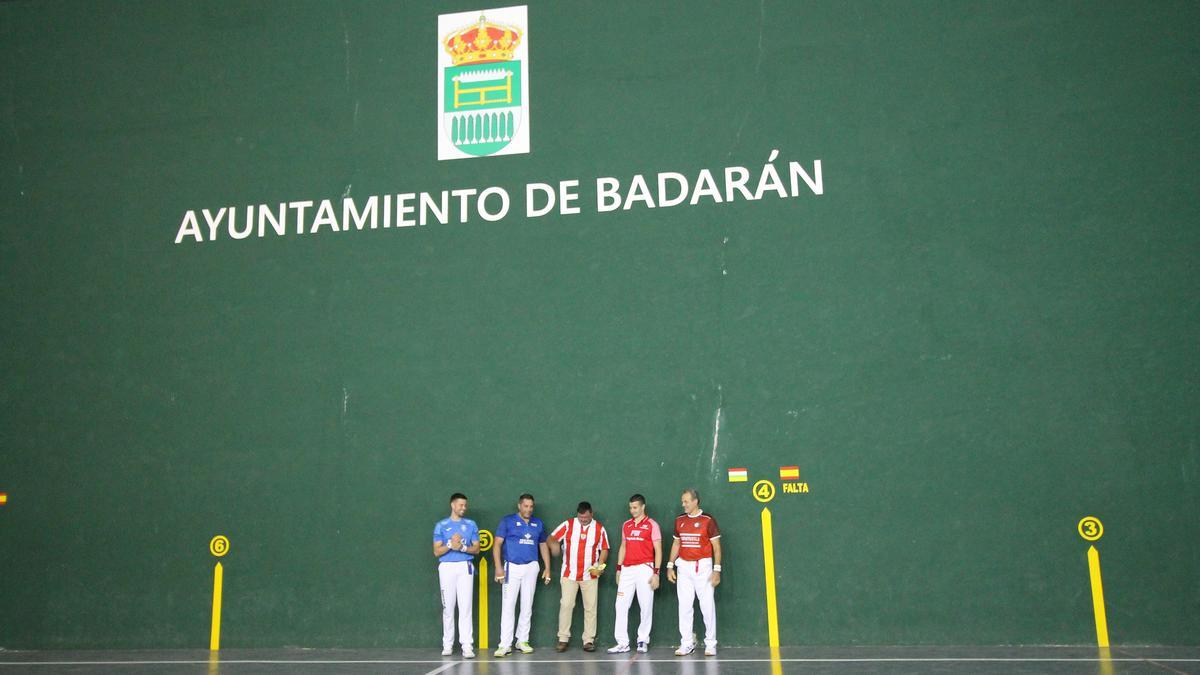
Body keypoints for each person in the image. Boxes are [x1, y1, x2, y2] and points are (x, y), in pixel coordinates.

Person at [492, 493, 551, 657]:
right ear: (519, 506)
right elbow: (497, 545)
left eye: (531, 506)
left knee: (527, 605)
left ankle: (522, 640)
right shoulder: (507, 521)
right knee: (508, 606)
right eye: (526, 506)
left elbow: (543, 545)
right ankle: (504, 644)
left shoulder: (538, 523)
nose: (529, 509)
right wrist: (498, 568)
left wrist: (547, 568)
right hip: (512, 567)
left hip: (531, 567)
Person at [549, 501, 610, 652]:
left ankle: (588, 640)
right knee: (566, 604)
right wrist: (555, 546)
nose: (583, 520)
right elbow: (551, 538)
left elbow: (604, 549)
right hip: (569, 573)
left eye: (586, 518)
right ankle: (563, 639)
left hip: (590, 575)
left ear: (592, 514)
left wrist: (600, 565)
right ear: (577, 514)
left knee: (590, 608)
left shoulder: (599, 528)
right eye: (581, 517)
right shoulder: (568, 524)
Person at [667, 488, 721, 656]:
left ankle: (710, 643)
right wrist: (670, 565)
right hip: (683, 567)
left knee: (707, 606)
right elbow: (676, 544)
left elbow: (716, 547)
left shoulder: (708, 520)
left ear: (696, 501)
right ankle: (686, 643)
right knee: (684, 607)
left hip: (703, 567)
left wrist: (716, 570)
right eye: (682, 501)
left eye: (686, 501)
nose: (683, 504)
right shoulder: (679, 521)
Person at [608, 493, 662, 654]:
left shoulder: (652, 525)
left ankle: (642, 640)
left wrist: (656, 573)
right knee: (620, 605)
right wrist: (618, 568)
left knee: (645, 605)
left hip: (645, 568)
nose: (632, 510)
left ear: (643, 507)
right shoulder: (626, 525)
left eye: (635, 507)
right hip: (627, 570)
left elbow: (658, 550)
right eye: (630, 508)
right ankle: (622, 643)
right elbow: (623, 547)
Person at [432, 492, 479, 658]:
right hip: (446, 568)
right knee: (448, 607)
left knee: (465, 607)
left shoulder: (471, 524)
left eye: (465, 505)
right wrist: (451, 544)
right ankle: (448, 644)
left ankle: (467, 645)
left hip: (465, 567)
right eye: (461, 505)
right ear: (453, 505)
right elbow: (437, 551)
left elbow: (476, 548)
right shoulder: (441, 525)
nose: (464, 508)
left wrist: (463, 548)